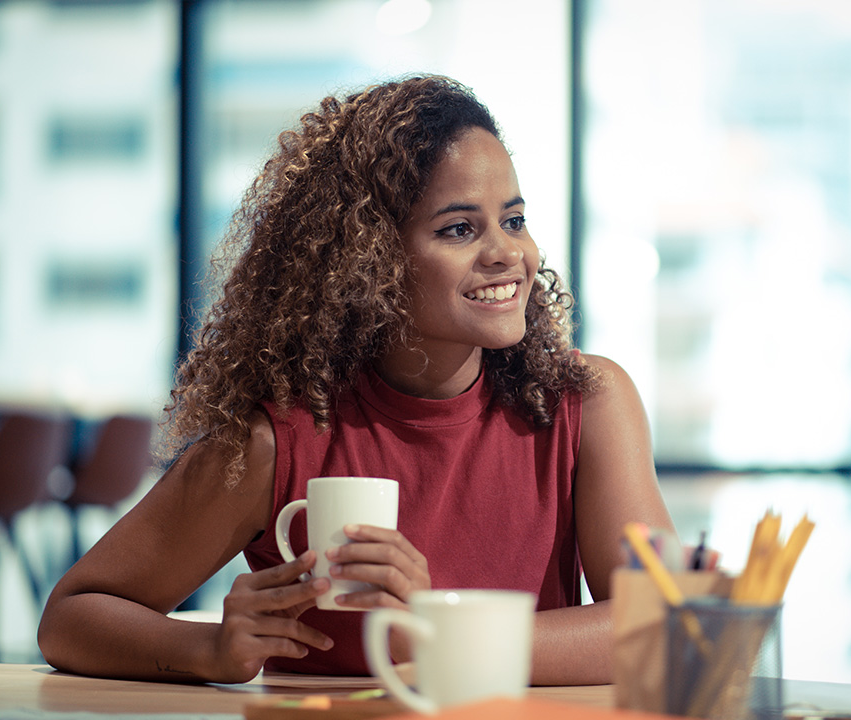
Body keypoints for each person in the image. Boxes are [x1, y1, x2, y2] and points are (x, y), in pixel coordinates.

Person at [37, 74, 675, 686]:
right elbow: (72, 617)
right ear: (370, 258)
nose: (509, 253)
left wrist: (443, 630)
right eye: (459, 229)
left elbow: (662, 626)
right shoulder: (279, 442)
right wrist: (210, 647)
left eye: (512, 220)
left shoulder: (585, 404)